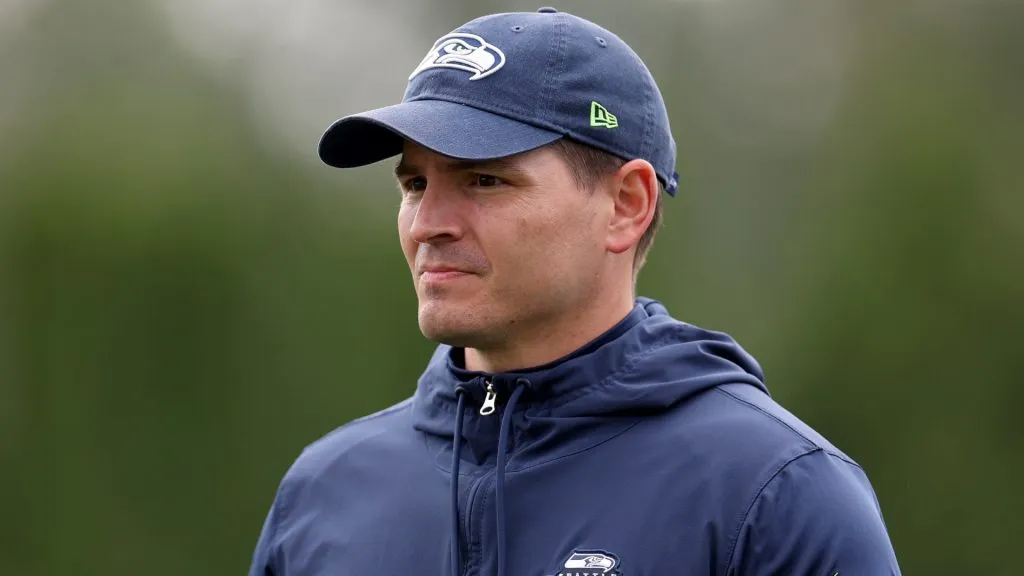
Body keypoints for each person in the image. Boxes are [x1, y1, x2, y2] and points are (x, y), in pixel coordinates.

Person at [249, 7, 901, 576]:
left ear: (626, 204)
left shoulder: (772, 494)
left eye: (483, 181)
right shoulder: (322, 494)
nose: (427, 225)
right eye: (415, 184)